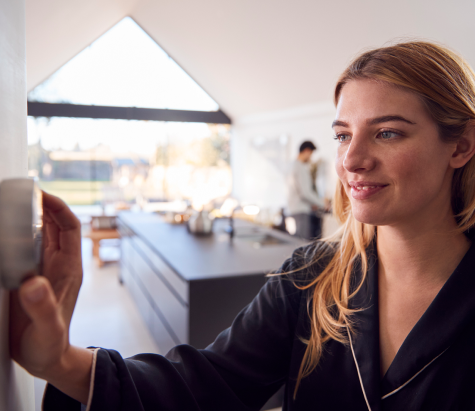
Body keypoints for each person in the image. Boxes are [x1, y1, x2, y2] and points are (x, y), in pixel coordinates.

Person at [11, 40, 475, 410]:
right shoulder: (310, 278)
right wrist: (62, 363)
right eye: (342, 135)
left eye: (387, 132)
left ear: (460, 146)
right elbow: (208, 385)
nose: (351, 160)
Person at [287, 140, 325, 239]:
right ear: (307, 151)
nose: (311, 157)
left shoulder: (291, 166)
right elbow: (305, 193)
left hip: (292, 210)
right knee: (302, 244)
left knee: (295, 241)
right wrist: (323, 204)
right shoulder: (301, 168)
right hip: (301, 211)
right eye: (311, 154)